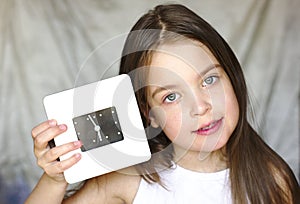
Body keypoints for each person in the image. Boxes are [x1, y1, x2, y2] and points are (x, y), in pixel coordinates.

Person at [25, 4, 299, 204]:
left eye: (209, 80)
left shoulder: (273, 181)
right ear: (149, 114)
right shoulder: (129, 179)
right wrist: (54, 180)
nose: (200, 106)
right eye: (171, 96)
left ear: (231, 74)